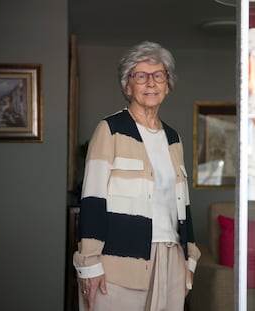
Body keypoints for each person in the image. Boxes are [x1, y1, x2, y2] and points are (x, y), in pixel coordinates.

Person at [73, 41, 201, 311]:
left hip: (170, 259)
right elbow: (93, 201)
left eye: (158, 75)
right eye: (140, 76)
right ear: (127, 85)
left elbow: (183, 205)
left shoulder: (173, 138)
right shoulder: (110, 130)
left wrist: (189, 261)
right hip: (118, 263)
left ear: (168, 84)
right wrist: (90, 264)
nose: (151, 83)